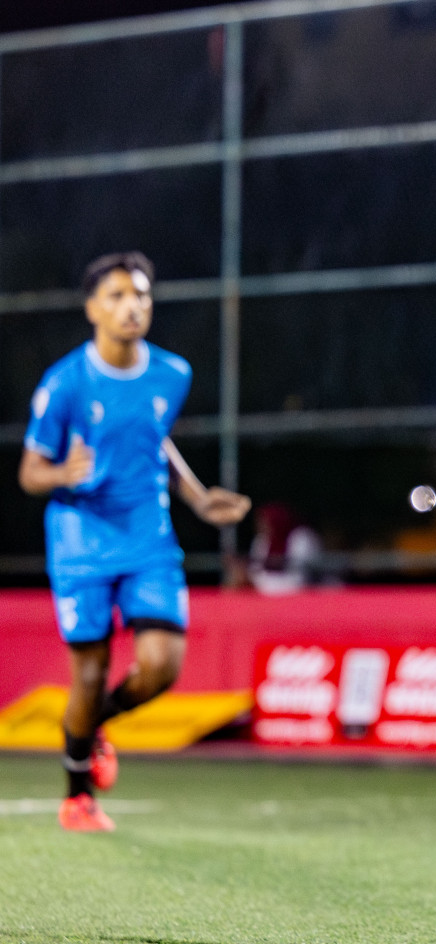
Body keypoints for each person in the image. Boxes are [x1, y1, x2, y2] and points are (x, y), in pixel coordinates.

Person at [17, 252, 250, 833]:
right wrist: (60, 475)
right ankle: (77, 795)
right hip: (81, 541)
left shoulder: (172, 373)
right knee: (89, 673)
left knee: (161, 667)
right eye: (118, 295)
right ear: (93, 307)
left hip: (148, 536)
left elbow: (154, 440)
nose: (131, 306)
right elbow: (29, 472)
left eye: (141, 295)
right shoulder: (66, 382)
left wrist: (197, 497)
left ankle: (93, 726)